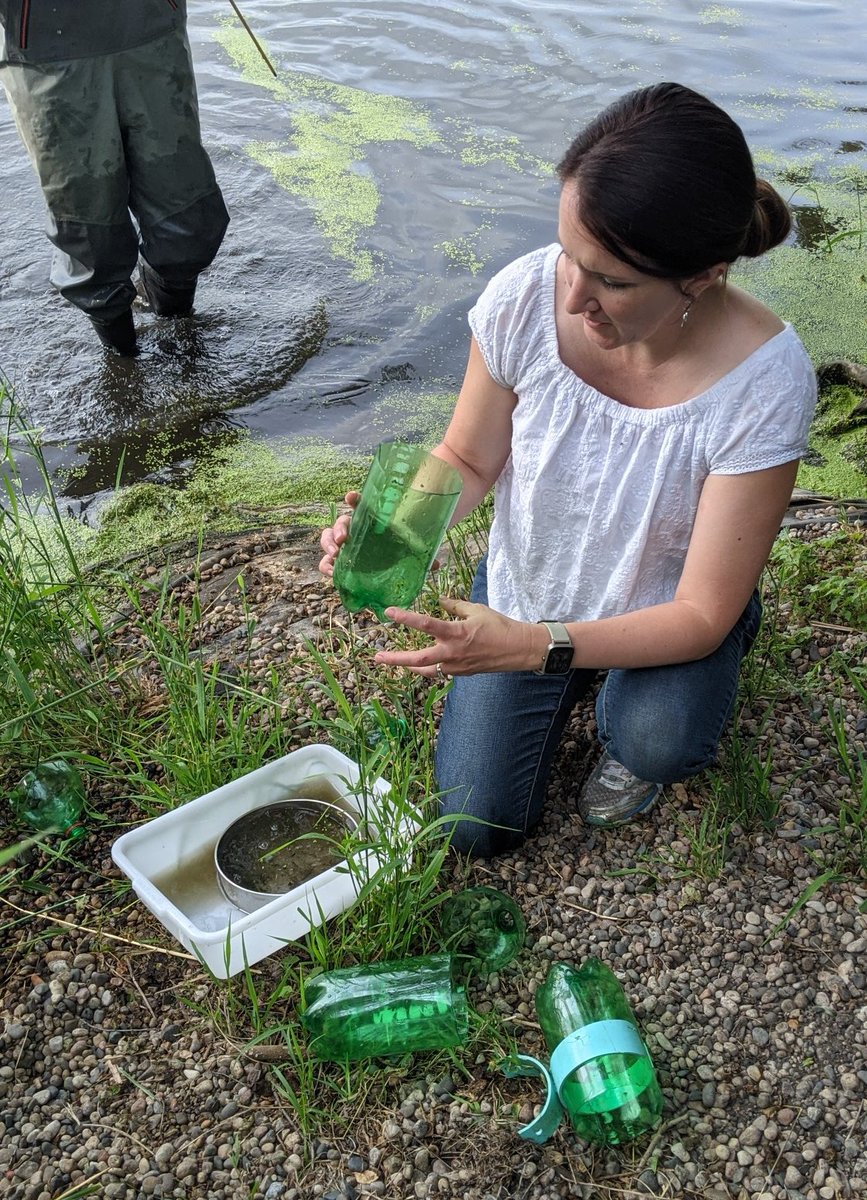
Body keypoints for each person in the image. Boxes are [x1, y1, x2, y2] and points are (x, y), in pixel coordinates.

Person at [320, 82, 817, 858]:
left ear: (704, 275)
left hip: (668, 609)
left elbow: (697, 614)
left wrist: (528, 648)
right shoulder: (526, 297)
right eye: (570, 257)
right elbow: (467, 456)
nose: (573, 297)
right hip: (530, 582)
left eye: (613, 282)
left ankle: (654, 704)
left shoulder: (763, 383)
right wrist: (396, 528)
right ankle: (569, 661)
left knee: (658, 739)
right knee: (475, 826)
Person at [0, 0, 229, 357]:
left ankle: (180, 331)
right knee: (90, 232)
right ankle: (123, 360)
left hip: (153, 30)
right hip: (45, 51)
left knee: (188, 219)